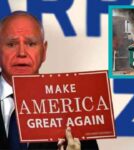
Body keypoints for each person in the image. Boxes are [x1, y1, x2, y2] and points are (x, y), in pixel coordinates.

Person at [0, 11, 99, 150]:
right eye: (11, 44)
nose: (21, 53)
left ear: (44, 51)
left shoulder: (73, 109)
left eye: (31, 43)